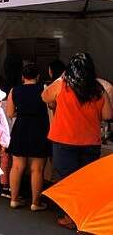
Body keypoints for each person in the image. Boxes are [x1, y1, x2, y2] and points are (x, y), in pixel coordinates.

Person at [42, 53, 113, 230]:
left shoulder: (62, 84)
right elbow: (108, 115)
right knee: (86, 181)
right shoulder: (98, 89)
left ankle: (70, 217)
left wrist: (60, 77)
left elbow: (45, 97)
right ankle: (84, 217)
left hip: (64, 140)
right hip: (90, 142)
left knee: (68, 180)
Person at [5, 63, 49, 211]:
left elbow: (10, 114)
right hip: (39, 128)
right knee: (37, 168)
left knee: (17, 166)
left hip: (21, 128)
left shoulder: (14, 90)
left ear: (23, 77)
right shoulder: (43, 89)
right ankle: (35, 203)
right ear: (38, 76)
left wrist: (22, 113)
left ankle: (14, 199)